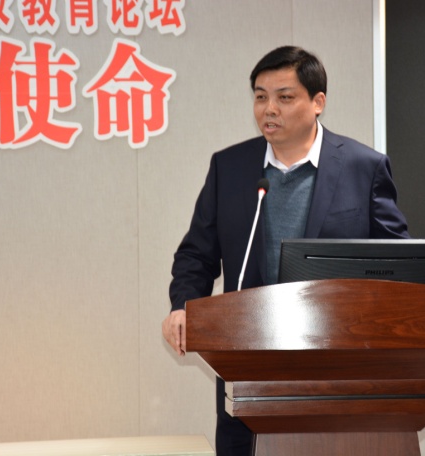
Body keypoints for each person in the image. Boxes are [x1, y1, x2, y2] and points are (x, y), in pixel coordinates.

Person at [163, 45, 409, 456]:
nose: (269, 109)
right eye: (261, 97)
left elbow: (395, 260)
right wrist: (183, 306)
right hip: (248, 354)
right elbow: (196, 254)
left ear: (318, 102)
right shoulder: (230, 167)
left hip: (339, 359)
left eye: (284, 97)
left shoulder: (364, 167)